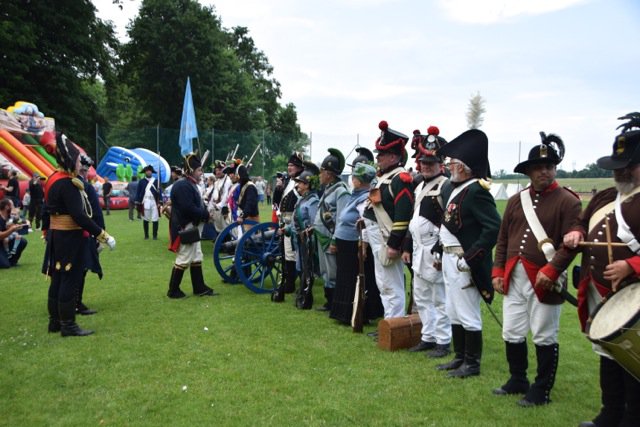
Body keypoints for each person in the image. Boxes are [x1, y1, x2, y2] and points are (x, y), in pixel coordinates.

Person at [491, 132, 581, 406]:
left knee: (544, 334)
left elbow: (572, 243)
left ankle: (541, 390)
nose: (545, 171)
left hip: (545, 278)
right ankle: (517, 379)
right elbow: (504, 237)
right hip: (514, 275)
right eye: (540, 167)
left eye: (550, 167)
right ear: (529, 171)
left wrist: (552, 271)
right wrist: (497, 271)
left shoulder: (569, 201)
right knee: (512, 330)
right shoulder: (518, 200)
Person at [563, 113, 640, 427]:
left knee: (633, 359)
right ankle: (610, 413)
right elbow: (585, 219)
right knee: (608, 354)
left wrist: (631, 264)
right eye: (618, 166)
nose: (620, 172)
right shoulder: (612, 196)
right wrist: (578, 231)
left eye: (628, 166)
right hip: (603, 290)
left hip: (634, 293)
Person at [434, 128, 501, 378]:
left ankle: (472, 364)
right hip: (451, 258)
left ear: (464, 167)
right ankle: (460, 357)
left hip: (464, 260)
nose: (450, 166)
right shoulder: (458, 189)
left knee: (468, 313)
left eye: (453, 163)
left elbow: (493, 226)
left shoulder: (476, 191)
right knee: (453, 309)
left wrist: (472, 257)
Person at [42, 133, 115, 337]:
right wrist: (103, 235)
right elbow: (79, 216)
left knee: (57, 278)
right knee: (69, 279)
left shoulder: (52, 179)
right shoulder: (68, 183)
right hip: (69, 237)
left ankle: (55, 322)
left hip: (57, 236)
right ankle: (68, 325)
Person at [401, 126, 453, 358]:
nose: (425, 166)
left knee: (439, 297)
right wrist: (405, 247)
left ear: (441, 163)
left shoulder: (446, 186)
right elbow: (412, 219)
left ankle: (443, 340)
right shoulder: (419, 184)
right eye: (423, 162)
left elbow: (449, 221)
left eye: (430, 163)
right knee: (421, 295)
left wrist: (440, 250)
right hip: (418, 247)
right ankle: (427, 336)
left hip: (435, 248)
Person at [362, 121, 413, 319]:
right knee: (383, 283)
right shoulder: (386, 177)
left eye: (381, 155)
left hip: (387, 238)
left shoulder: (401, 178)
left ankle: (395, 322)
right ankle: (388, 322)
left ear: (393, 156)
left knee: (391, 285)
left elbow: (403, 215)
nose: (378, 158)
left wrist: (394, 243)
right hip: (378, 236)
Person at [330, 162, 377, 323]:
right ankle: (342, 311)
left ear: (360, 180)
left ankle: (354, 312)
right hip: (345, 242)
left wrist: (362, 245)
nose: (352, 179)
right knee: (344, 277)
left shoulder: (364, 198)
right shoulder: (354, 195)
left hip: (353, 243)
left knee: (353, 279)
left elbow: (364, 222)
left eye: (355, 177)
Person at [167, 153, 217, 298]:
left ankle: (199, 287)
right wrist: (206, 215)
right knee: (184, 257)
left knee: (196, 256)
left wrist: (205, 213)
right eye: (199, 170)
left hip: (192, 226)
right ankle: (173, 290)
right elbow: (188, 208)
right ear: (191, 170)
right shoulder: (183, 185)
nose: (201, 173)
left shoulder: (189, 184)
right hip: (185, 226)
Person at [313, 148, 350, 311]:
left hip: (330, 237)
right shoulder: (329, 189)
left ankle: (335, 303)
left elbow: (342, 218)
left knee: (332, 271)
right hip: (322, 236)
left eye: (322, 171)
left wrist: (335, 240)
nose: (320, 175)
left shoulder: (341, 191)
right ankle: (329, 301)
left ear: (329, 173)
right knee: (325, 270)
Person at [272, 153, 305, 301]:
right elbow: (278, 202)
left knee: (292, 253)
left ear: (298, 167)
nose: (289, 168)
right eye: (289, 166)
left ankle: (291, 282)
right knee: (286, 253)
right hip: (285, 220)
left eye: (292, 166)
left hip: (293, 221)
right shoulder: (288, 182)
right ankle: (289, 281)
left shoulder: (300, 182)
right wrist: (278, 190)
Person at [76, 154, 106, 316]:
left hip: (62, 235)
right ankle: (75, 302)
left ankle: (66, 302)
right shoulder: (85, 187)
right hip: (83, 235)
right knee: (81, 269)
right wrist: (102, 233)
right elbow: (95, 212)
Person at [290, 162, 320, 305]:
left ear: (307, 185)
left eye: (300, 183)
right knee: (300, 265)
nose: (298, 186)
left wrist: (308, 237)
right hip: (298, 238)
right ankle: (302, 290)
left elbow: (314, 223)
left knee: (307, 266)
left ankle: (306, 292)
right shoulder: (302, 199)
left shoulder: (313, 201)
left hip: (307, 239)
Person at [135, 165, 162, 240]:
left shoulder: (156, 181)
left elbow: (160, 192)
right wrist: (137, 202)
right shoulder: (141, 181)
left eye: (150, 170)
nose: (148, 172)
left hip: (154, 201)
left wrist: (160, 201)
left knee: (155, 218)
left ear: (151, 172)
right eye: (147, 171)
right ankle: (146, 235)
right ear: (145, 172)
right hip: (145, 201)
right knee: (146, 219)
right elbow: (138, 192)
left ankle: (155, 236)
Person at [0, 198, 28, 268]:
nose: (13, 207)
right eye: (12, 205)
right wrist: (11, 229)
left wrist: (17, 227)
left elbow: (17, 222)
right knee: (4, 265)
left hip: (4, 241)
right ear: (6, 207)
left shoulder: (9, 216)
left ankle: (12, 261)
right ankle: (6, 260)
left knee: (22, 241)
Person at [208, 160, 232, 234]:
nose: (218, 172)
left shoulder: (228, 181)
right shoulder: (216, 182)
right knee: (218, 228)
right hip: (216, 209)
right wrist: (210, 208)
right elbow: (213, 197)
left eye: (220, 170)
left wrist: (219, 205)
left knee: (226, 229)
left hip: (224, 209)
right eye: (216, 170)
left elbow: (226, 196)